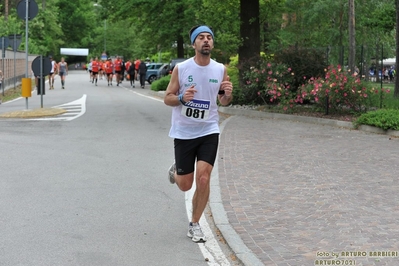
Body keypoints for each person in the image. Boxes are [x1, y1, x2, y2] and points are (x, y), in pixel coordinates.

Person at [163, 25, 233, 243]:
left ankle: (194, 224)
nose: (206, 41)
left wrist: (228, 95)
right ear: (194, 44)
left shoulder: (220, 69)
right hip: (184, 132)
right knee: (185, 184)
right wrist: (183, 98)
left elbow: (223, 100)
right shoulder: (181, 69)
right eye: (201, 38)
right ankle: (176, 171)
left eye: (209, 37)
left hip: (209, 129)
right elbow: (168, 98)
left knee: (203, 178)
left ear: (212, 43)